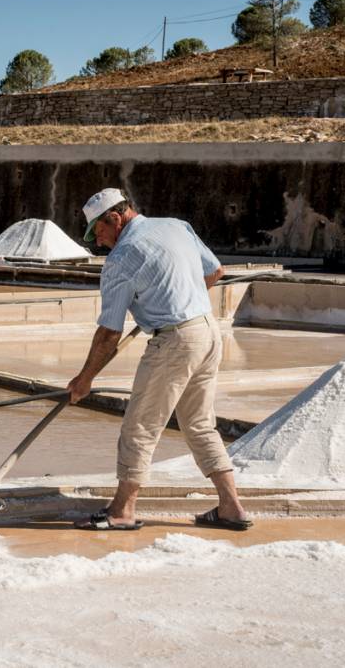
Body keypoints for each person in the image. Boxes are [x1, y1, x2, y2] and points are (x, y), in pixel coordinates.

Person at [67, 188, 251, 532]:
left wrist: (85, 379)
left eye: (99, 231)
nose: (98, 241)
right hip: (207, 331)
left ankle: (122, 510)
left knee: (140, 426)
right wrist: (177, 298)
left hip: (175, 341)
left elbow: (109, 333)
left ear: (115, 217)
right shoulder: (175, 225)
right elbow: (215, 272)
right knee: (198, 423)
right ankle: (231, 507)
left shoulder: (121, 258)